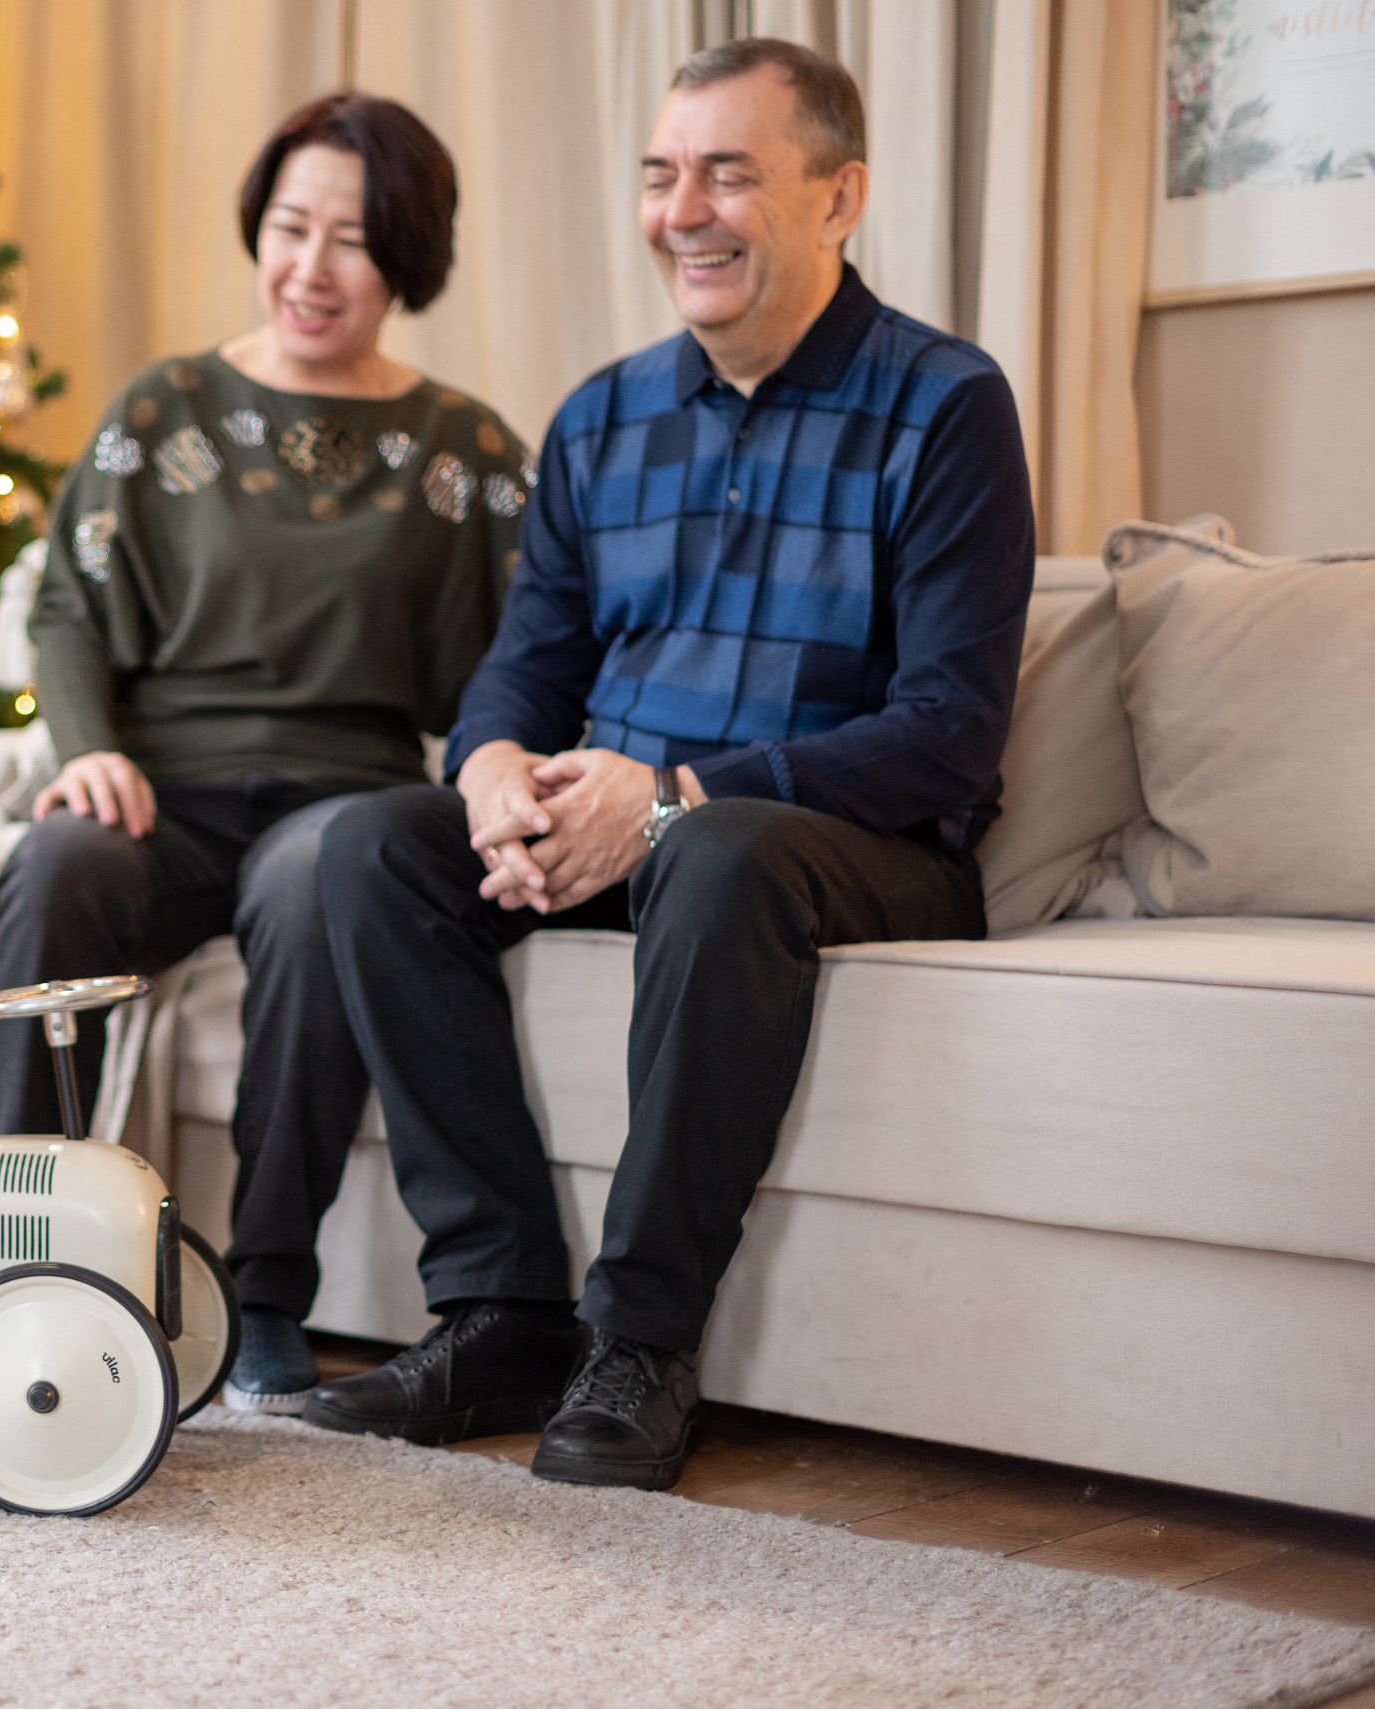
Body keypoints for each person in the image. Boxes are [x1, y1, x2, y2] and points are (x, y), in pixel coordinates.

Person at [301, 39, 1034, 1488]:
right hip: (636, 831)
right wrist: (502, 759)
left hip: (843, 848)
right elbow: (531, 656)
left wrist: (674, 793)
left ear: (840, 199)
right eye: (660, 176)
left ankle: (639, 1339)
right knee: (372, 846)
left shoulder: (946, 406)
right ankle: (501, 1307)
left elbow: (949, 728)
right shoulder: (602, 418)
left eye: (728, 175)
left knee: (717, 848)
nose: (682, 210)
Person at [0, 93, 530, 1413]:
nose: (311, 267)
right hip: (160, 790)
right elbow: (68, 602)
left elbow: (518, 654)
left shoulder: (466, 451)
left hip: (346, 801)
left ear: (409, 254)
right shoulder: (165, 410)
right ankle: (17, 1263)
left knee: (312, 882)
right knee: (56, 863)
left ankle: (265, 1285)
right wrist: (88, 749)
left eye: (352, 237)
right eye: (290, 228)